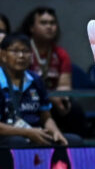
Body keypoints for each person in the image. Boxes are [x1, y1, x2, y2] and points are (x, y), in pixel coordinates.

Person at [0, 34, 76, 147]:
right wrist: (27, 133)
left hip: (35, 133)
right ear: (3, 55)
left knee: (74, 141)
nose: (21, 56)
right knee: (18, 143)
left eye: (25, 51)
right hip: (9, 136)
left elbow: (46, 117)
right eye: (15, 51)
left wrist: (55, 132)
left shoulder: (36, 80)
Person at [20, 7, 83, 138]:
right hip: (26, 98)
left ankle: (73, 144)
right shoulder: (22, 52)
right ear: (31, 28)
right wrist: (48, 97)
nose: (49, 27)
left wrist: (61, 100)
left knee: (74, 109)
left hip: (54, 101)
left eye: (52, 23)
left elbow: (64, 86)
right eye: (43, 23)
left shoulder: (61, 54)